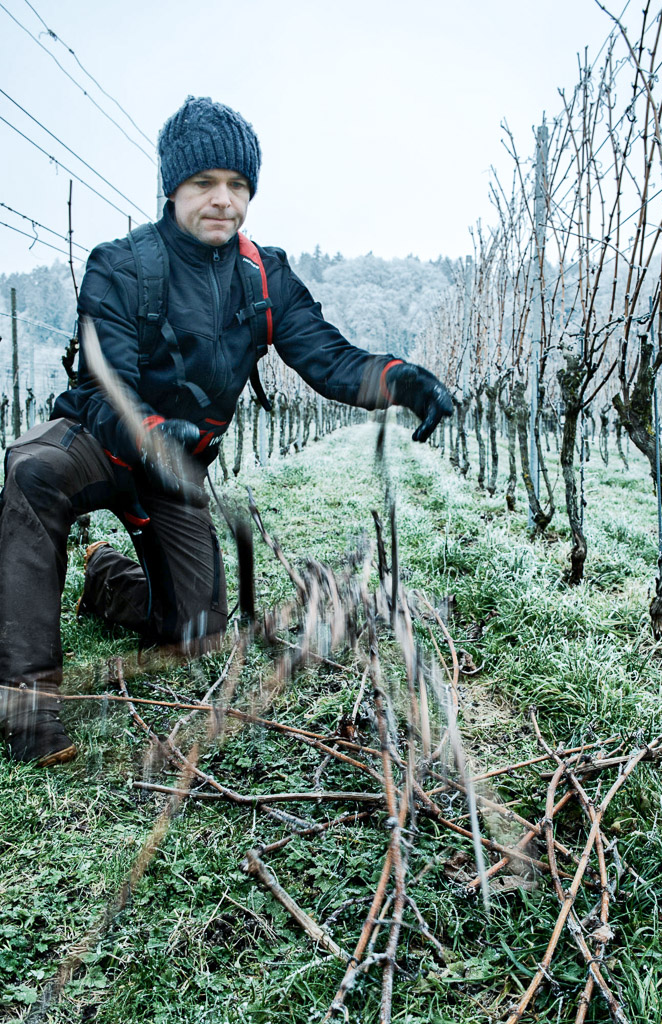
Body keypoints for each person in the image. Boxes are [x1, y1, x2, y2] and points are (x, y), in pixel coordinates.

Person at [0, 96, 453, 767]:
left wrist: (402, 380)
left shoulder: (263, 277)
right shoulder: (120, 265)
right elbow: (104, 385)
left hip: (175, 469)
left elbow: (328, 359)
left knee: (197, 632)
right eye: (204, 183)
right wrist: (150, 431)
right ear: (172, 188)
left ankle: (105, 578)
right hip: (100, 442)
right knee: (33, 472)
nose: (223, 200)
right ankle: (27, 706)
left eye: (238, 185)